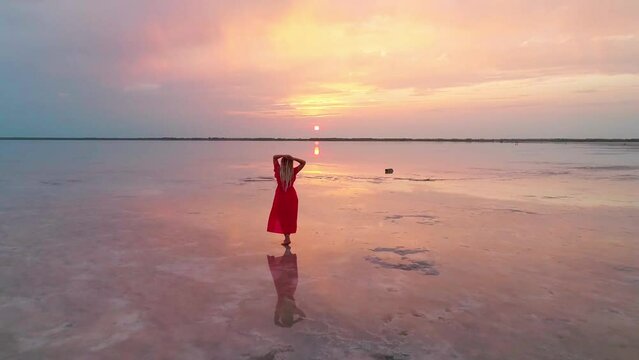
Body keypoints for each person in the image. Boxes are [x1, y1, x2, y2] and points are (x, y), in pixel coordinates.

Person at [267, 154, 305, 246]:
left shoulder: (278, 170)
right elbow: (303, 162)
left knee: (282, 217)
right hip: (291, 196)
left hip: (280, 196)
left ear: (282, 163)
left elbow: (274, 157)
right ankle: (287, 237)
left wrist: (284, 155)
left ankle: (287, 238)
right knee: (289, 217)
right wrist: (293, 158)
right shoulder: (293, 171)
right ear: (290, 164)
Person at [267, 245, 306, 327]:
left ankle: (288, 251)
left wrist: (293, 323)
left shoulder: (292, 310)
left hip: (289, 288)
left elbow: (303, 316)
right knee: (284, 270)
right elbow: (276, 322)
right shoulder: (281, 310)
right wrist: (286, 325)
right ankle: (288, 251)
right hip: (283, 288)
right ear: (284, 318)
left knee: (289, 270)